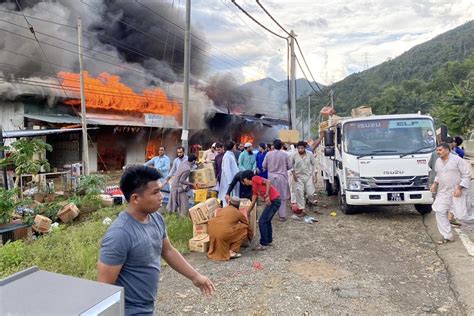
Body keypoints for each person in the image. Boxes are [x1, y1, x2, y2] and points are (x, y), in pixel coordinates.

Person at [97, 165, 214, 315]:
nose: (161, 196)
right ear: (136, 198)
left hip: (147, 306)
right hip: (129, 310)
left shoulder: (155, 218)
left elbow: (168, 251)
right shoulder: (119, 234)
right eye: (156, 192)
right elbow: (104, 288)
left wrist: (195, 276)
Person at [430, 143, 471, 244]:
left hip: (457, 191)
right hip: (443, 192)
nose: (438, 152)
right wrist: (435, 184)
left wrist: (460, 188)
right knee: (439, 211)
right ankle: (447, 236)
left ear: (447, 150)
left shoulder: (457, 160)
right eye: (437, 150)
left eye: (440, 150)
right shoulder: (438, 161)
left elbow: (467, 175)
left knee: (461, 216)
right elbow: (438, 174)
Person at [241, 170, 281, 251]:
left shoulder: (255, 178)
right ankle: (268, 240)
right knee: (267, 220)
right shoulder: (253, 187)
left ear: (246, 178)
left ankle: (263, 244)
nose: (243, 183)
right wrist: (247, 212)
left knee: (262, 221)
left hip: (274, 200)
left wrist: (266, 195)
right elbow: (254, 200)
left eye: (243, 180)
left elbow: (268, 182)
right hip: (273, 200)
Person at [207, 196, 252, 261]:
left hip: (212, 231)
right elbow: (247, 224)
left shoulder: (223, 209)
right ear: (238, 205)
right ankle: (232, 251)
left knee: (226, 228)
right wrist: (250, 236)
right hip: (223, 233)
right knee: (244, 228)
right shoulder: (238, 213)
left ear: (229, 202)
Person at [263, 139, 292, 221]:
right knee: (282, 196)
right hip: (282, 176)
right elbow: (290, 166)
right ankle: (282, 215)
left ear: (273, 146)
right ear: (281, 146)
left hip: (271, 177)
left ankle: (269, 214)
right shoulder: (285, 155)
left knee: (271, 195)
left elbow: (264, 165)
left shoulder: (268, 154)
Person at [291, 141, 317, 215]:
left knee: (310, 193)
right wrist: (294, 174)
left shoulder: (310, 154)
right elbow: (291, 166)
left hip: (308, 176)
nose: (300, 150)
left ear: (304, 148)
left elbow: (314, 164)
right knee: (299, 192)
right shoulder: (294, 155)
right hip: (298, 177)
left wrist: (314, 174)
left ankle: (310, 201)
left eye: (302, 148)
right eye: (299, 148)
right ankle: (302, 209)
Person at [219, 141, 240, 207]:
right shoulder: (227, 156)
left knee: (233, 199)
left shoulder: (231, 154)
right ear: (233, 146)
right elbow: (227, 170)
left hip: (233, 180)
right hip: (229, 182)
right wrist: (230, 182)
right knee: (228, 199)